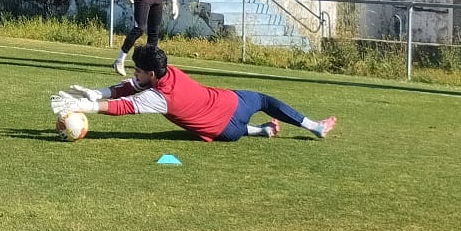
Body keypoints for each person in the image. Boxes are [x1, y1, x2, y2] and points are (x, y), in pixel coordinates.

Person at [52, 44, 335, 142]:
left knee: (212, 124)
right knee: (263, 99)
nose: (134, 73)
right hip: (233, 104)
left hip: (225, 131)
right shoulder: (167, 71)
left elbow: (123, 106)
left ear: (151, 74)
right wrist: (99, 92)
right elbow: (131, 88)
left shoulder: (158, 98)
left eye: (138, 69)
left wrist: (85, 105)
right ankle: (313, 126)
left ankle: (261, 132)